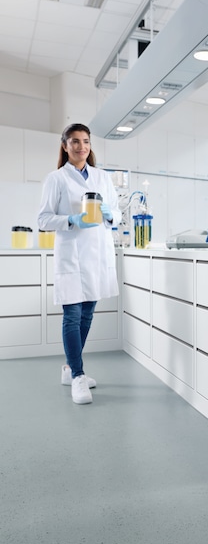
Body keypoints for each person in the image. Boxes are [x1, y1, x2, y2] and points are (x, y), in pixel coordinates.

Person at [38, 123, 121, 405]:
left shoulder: (102, 177)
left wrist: (111, 215)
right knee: (72, 316)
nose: (81, 146)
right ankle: (78, 375)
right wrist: (71, 220)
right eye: (74, 141)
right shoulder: (56, 179)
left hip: (97, 255)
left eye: (85, 141)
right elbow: (43, 219)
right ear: (64, 146)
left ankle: (69, 368)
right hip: (71, 254)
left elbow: (117, 213)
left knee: (87, 316)